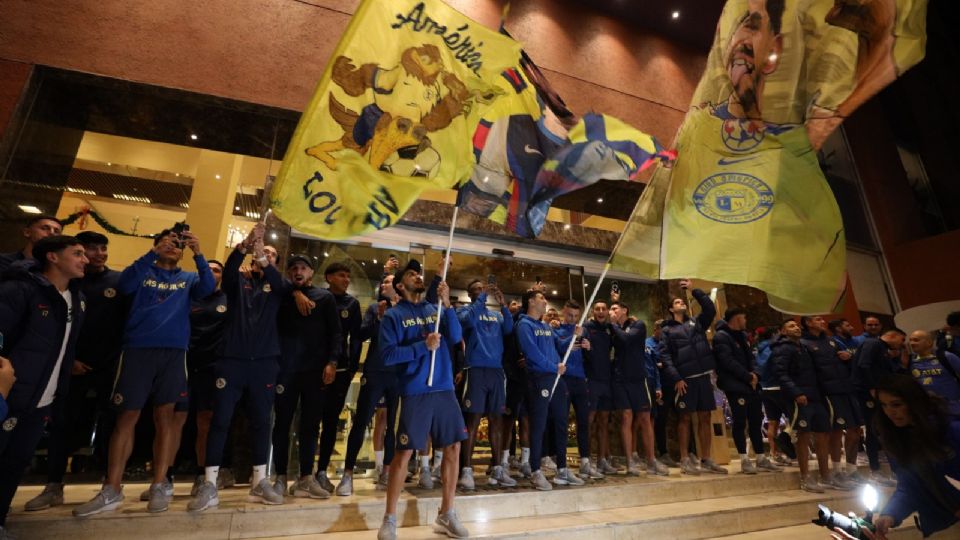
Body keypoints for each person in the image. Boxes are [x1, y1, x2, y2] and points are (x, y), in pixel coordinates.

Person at [74, 226, 214, 516]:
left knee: (166, 419)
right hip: (137, 351)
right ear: (158, 244)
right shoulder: (142, 272)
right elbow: (124, 285)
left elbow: (208, 289)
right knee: (127, 417)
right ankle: (112, 488)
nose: (174, 247)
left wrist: (199, 253)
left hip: (174, 354)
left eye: (179, 244)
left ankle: (160, 483)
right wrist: (153, 253)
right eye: (169, 242)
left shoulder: (188, 278)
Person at [188, 224, 291, 511]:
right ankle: (209, 483)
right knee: (220, 421)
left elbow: (281, 284)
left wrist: (261, 255)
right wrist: (245, 245)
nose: (265, 255)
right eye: (263, 252)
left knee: (261, 422)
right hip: (231, 361)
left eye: (271, 254)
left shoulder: (278, 288)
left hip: (265, 365)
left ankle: (260, 481)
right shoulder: (238, 285)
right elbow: (230, 269)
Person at [25, 231, 126, 512]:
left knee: (111, 426)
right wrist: (70, 360)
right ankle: (54, 486)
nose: (98, 254)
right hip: (70, 366)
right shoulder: (69, 283)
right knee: (62, 426)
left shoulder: (119, 282)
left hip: (109, 367)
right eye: (90, 249)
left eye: (103, 248)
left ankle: (110, 485)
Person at [0, 236, 86, 535]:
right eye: (77, 253)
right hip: (11, 393)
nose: (84, 259)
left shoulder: (77, 298)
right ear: (52, 257)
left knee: (16, 463)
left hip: (43, 398)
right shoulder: (20, 289)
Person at [377, 260, 468, 540]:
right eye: (411, 274)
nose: (418, 276)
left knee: (453, 447)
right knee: (404, 453)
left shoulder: (434, 308)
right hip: (415, 391)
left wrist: (447, 305)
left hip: (443, 389)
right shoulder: (395, 315)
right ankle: (390, 518)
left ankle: (446, 513)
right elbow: (388, 355)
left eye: (419, 273)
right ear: (400, 285)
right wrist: (421, 347)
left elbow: (455, 337)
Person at [270, 254, 341, 500]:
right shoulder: (282, 295)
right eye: (294, 268)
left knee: (310, 426)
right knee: (282, 424)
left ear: (311, 273)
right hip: (285, 371)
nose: (298, 271)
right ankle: (279, 476)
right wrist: (293, 293)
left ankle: (305, 479)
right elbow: (275, 283)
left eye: (303, 268)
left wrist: (332, 362)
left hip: (315, 372)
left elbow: (336, 334)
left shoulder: (325, 297)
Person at [870, 375, 960, 539]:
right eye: (884, 405)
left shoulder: (950, 429)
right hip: (939, 525)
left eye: (896, 404)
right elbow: (909, 487)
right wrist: (890, 514)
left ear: (914, 402)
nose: (890, 412)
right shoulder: (896, 439)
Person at [337, 273, 401, 496]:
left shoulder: (405, 309)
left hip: (396, 374)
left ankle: (387, 472)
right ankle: (347, 475)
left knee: (392, 425)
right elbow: (360, 334)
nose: (382, 284)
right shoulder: (375, 308)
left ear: (399, 286)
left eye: (387, 282)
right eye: (382, 281)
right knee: (361, 421)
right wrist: (378, 320)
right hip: (374, 371)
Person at [515, 289, 584, 490]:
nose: (545, 301)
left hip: (557, 378)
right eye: (541, 298)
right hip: (540, 379)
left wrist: (574, 334)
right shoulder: (524, 325)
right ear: (530, 302)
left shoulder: (545, 325)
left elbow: (559, 346)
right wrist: (552, 367)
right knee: (539, 425)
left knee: (561, 423)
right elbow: (532, 354)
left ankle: (562, 469)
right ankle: (536, 470)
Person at [659, 279, 726, 475]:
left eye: (682, 302)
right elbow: (665, 356)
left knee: (705, 416)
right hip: (684, 380)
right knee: (685, 418)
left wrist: (693, 290)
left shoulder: (696, 322)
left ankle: (706, 458)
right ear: (671, 310)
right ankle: (684, 458)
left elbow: (710, 309)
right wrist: (677, 378)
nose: (681, 304)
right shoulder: (667, 330)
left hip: (703, 377)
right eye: (677, 303)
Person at [455, 278, 516, 490]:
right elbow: (468, 322)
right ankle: (467, 471)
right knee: (472, 421)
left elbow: (508, 329)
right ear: (470, 294)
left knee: (497, 419)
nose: (482, 292)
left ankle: (498, 469)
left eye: (483, 289)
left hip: (496, 372)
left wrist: (503, 305)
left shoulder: (495, 315)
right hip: (476, 371)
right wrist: (481, 298)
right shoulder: (464, 311)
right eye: (477, 290)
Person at [308, 261, 361, 493]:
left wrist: (351, 369)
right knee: (310, 421)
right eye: (341, 275)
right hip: (314, 369)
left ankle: (322, 472)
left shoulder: (353, 303)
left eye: (348, 276)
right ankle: (305, 472)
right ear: (328, 277)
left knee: (331, 423)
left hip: (341, 371)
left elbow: (357, 336)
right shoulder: (318, 297)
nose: (346, 279)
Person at [183, 258, 229, 493]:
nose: (212, 273)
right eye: (208, 269)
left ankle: (203, 474)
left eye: (217, 270)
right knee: (173, 419)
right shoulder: (188, 296)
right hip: (184, 364)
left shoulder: (228, 299)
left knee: (205, 421)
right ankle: (165, 476)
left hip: (213, 369)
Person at [715, 308, 779, 474]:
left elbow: (752, 358)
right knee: (740, 421)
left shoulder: (743, 336)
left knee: (756, 421)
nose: (745, 320)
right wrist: (747, 376)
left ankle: (760, 457)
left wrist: (755, 374)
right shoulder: (721, 336)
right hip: (735, 386)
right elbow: (726, 361)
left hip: (752, 385)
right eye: (744, 317)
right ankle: (744, 459)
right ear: (736, 318)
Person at [800, 316, 859, 490]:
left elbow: (847, 356)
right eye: (817, 319)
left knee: (843, 429)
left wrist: (848, 357)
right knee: (832, 432)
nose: (822, 321)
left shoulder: (831, 341)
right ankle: (831, 472)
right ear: (808, 323)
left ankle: (839, 469)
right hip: (825, 392)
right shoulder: (805, 343)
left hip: (842, 388)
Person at [609, 300, 667, 476]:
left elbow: (626, 340)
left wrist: (612, 325)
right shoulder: (612, 329)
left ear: (625, 310)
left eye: (614, 308)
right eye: (610, 309)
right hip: (619, 379)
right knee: (626, 417)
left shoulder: (638, 325)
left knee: (644, 418)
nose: (611, 311)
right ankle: (630, 462)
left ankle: (651, 461)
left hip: (638, 378)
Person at [773, 319, 831, 493]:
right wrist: (796, 393)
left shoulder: (804, 347)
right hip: (799, 398)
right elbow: (781, 373)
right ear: (783, 331)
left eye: (797, 325)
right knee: (803, 436)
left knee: (822, 435)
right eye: (791, 326)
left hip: (816, 396)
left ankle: (825, 475)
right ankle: (805, 478)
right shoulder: (782, 349)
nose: (796, 328)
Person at [553, 300, 602, 480]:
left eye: (576, 316)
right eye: (570, 315)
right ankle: (562, 466)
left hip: (581, 380)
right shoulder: (555, 330)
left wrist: (588, 347)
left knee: (584, 421)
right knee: (561, 423)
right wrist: (570, 339)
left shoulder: (583, 330)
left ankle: (585, 463)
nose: (573, 319)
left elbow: (590, 355)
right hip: (564, 380)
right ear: (563, 313)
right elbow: (558, 347)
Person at [853, 328, 906, 486]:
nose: (902, 344)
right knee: (873, 429)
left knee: (882, 429)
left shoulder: (883, 349)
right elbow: (864, 365)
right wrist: (872, 387)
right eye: (901, 340)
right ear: (892, 335)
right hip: (867, 393)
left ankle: (892, 470)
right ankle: (874, 470)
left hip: (878, 392)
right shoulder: (872, 343)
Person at [583, 300, 617, 475]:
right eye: (598, 309)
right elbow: (584, 352)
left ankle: (602, 460)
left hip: (607, 381)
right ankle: (586, 461)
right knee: (588, 422)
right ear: (593, 312)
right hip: (592, 380)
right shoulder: (587, 327)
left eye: (604, 309)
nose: (601, 311)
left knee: (604, 422)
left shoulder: (611, 329)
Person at [755, 326, 791, 466]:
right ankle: (788, 445)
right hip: (779, 386)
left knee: (772, 422)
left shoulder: (760, 349)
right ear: (775, 334)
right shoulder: (775, 348)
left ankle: (774, 453)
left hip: (765, 388)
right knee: (794, 419)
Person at [649, 320, 680, 468]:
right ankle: (663, 453)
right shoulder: (649, 343)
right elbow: (652, 363)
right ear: (656, 329)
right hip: (661, 387)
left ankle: (689, 452)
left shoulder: (671, 342)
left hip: (676, 384)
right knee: (660, 420)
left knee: (683, 417)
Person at [908, 330, 960, 417]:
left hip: (954, 408)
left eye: (916, 340)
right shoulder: (910, 362)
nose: (912, 343)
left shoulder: (946, 356)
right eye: (910, 340)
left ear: (929, 342)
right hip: (929, 411)